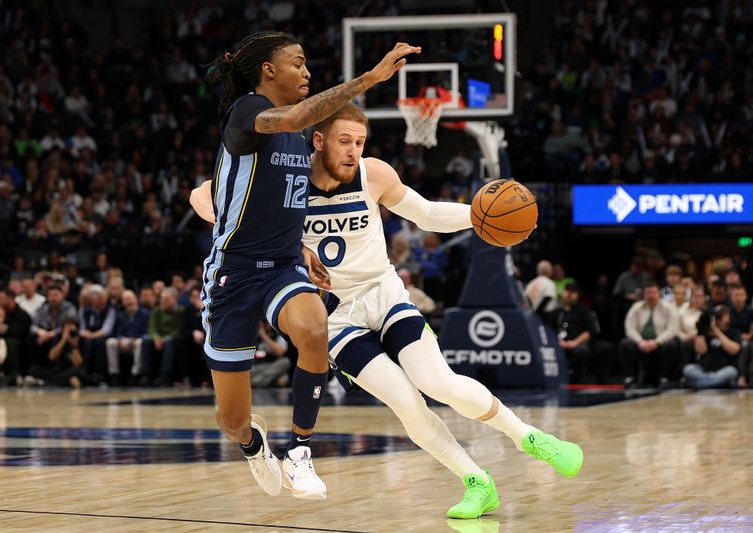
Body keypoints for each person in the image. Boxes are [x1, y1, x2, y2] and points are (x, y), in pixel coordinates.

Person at [193, 104, 583, 518]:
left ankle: (529, 437)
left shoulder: (372, 173)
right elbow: (201, 194)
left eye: (360, 143)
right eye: (345, 141)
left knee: (439, 383)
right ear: (319, 140)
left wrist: (474, 215)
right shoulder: (283, 180)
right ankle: (477, 481)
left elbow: (427, 213)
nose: (353, 152)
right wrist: (237, 221)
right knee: (406, 404)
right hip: (336, 316)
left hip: (384, 296)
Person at [192, 32, 420, 499]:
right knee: (231, 420)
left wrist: (301, 248)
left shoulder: (297, 140)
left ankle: (299, 451)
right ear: (268, 70)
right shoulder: (247, 114)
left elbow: (284, 205)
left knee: (315, 328)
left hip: (280, 265)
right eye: (298, 63)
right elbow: (297, 115)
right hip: (233, 273)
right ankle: (254, 444)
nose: (307, 72)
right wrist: (372, 78)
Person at [619, 282, 680, 388]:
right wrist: (640, 341)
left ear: (658, 294)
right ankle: (630, 378)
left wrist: (656, 342)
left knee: (672, 344)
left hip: (660, 343)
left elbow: (672, 329)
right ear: (644, 294)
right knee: (625, 344)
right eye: (648, 293)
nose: (651, 295)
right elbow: (629, 328)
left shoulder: (669, 308)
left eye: (653, 292)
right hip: (641, 343)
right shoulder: (636, 307)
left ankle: (664, 378)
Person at [682, 305, 741, 389]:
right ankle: (712, 383)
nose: (719, 319)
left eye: (721, 316)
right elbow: (701, 351)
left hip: (723, 370)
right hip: (704, 371)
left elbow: (735, 350)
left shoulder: (733, 332)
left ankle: (701, 385)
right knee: (688, 369)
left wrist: (717, 332)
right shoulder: (705, 332)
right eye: (717, 316)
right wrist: (700, 330)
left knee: (732, 371)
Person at [106, 290, 150, 386]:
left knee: (140, 342)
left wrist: (133, 340)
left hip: (137, 341)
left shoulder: (145, 314)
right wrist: (120, 340)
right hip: (124, 342)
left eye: (130, 299)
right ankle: (114, 374)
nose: (129, 302)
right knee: (111, 342)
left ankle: (135, 374)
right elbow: (116, 333)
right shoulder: (121, 315)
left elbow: (147, 333)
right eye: (126, 300)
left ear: (136, 299)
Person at [251, 321, 291, 388]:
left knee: (285, 361)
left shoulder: (277, 334)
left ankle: (254, 382)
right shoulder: (252, 336)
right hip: (256, 367)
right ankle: (266, 382)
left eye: (262, 325)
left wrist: (263, 335)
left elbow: (280, 352)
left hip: (271, 365)